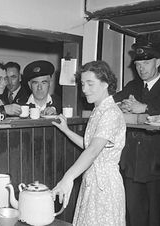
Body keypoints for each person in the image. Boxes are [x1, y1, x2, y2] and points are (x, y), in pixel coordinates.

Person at [52, 60, 126, 226]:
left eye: (90, 84)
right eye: (83, 84)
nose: (84, 89)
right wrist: (66, 130)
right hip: (92, 179)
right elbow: (89, 145)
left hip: (105, 185)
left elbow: (92, 151)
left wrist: (67, 178)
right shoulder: (98, 110)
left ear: (105, 83)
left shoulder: (110, 113)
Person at [113, 41, 160, 226]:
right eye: (137, 64)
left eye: (146, 63)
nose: (141, 68)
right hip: (132, 163)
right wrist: (123, 106)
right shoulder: (132, 86)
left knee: (157, 217)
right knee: (134, 215)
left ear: (157, 62)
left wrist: (143, 108)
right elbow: (112, 103)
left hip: (156, 164)